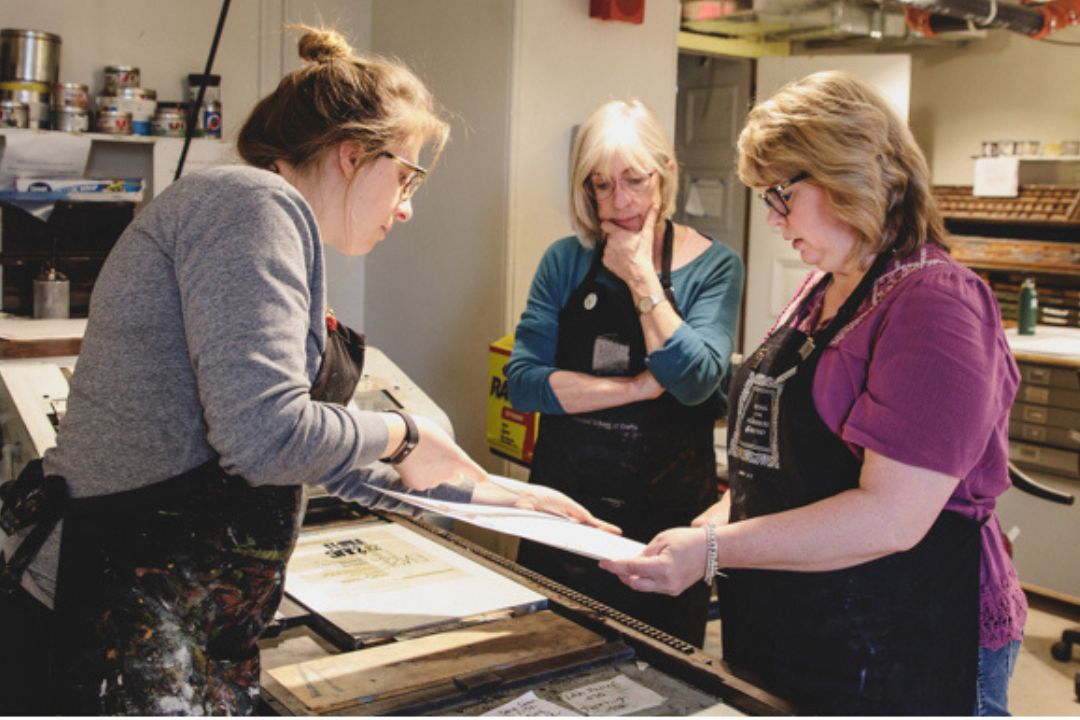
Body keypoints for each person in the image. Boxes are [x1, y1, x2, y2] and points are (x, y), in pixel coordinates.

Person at [0, 27, 610, 716]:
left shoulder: (271, 230)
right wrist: (403, 434)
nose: (407, 207)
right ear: (353, 155)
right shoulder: (250, 205)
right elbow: (264, 434)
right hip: (99, 617)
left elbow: (307, 455)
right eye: (408, 175)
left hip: (165, 621)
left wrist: (480, 494)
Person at [600, 71, 1027, 715]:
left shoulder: (935, 302)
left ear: (846, 171)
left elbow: (891, 514)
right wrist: (698, 531)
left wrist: (714, 550)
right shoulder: (821, 287)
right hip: (802, 623)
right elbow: (783, 473)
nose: (771, 219)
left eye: (780, 195)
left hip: (907, 637)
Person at [505, 99, 744, 647]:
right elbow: (525, 382)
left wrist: (641, 277)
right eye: (602, 186)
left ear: (666, 174)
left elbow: (695, 382)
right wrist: (636, 387)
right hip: (564, 520)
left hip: (667, 531)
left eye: (635, 181)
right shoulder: (564, 261)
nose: (621, 203)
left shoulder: (716, 266)